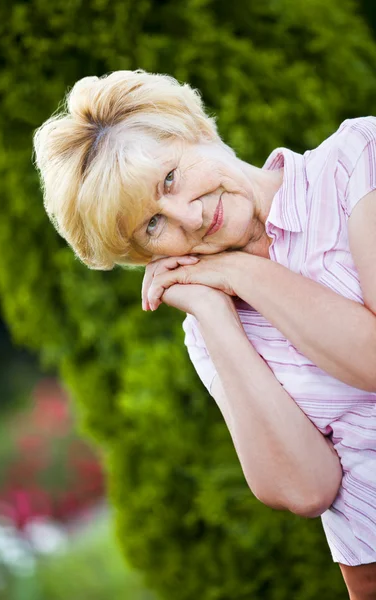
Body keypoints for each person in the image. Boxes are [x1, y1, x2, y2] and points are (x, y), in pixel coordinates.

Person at [33, 70, 376, 599]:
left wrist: (244, 273)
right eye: (151, 226)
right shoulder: (209, 324)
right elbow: (305, 489)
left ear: (194, 129)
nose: (187, 218)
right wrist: (215, 317)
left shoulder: (356, 162)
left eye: (168, 179)